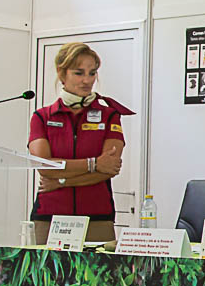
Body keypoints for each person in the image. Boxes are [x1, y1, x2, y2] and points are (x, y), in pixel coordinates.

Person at [28, 42, 132, 244]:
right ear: (61, 73)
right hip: (50, 217)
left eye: (92, 73)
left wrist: (62, 180)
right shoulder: (42, 117)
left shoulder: (109, 115)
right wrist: (93, 164)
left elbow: (109, 168)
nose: (87, 80)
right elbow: (45, 166)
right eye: (79, 73)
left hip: (97, 217)